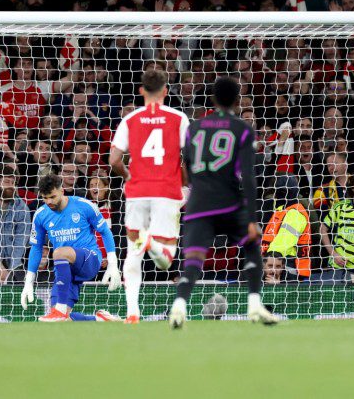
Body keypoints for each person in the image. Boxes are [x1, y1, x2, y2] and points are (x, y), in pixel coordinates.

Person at [170, 76, 277, 328]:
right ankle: (254, 304)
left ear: (213, 99)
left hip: (198, 204)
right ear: (237, 100)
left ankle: (179, 305)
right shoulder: (242, 129)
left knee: (194, 259)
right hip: (229, 202)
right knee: (251, 246)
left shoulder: (193, 129)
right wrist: (252, 218)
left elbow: (187, 169)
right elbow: (249, 178)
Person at [109, 69, 189, 324]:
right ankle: (150, 243)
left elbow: (114, 160)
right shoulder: (179, 118)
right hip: (166, 191)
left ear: (141, 91)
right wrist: (184, 179)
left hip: (138, 192)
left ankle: (132, 312)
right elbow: (191, 157)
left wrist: (129, 177)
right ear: (166, 91)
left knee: (132, 255)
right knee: (165, 261)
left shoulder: (130, 120)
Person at [20, 174, 120, 322]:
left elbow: (105, 231)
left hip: (89, 259)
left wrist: (113, 263)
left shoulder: (84, 205)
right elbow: (36, 248)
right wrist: (28, 281)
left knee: (59, 252)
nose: (49, 202)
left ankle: (60, 309)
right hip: (66, 270)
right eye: (45, 198)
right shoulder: (40, 215)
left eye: (52, 197)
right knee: (61, 321)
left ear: (62, 190)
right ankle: (99, 319)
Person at [260, 187, 312, 282]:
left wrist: (268, 260)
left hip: (286, 264)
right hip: (274, 261)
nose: (275, 195)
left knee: (283, 292)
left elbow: (283, 242)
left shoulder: (295, 214)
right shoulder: (281, 210)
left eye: (279, 191)